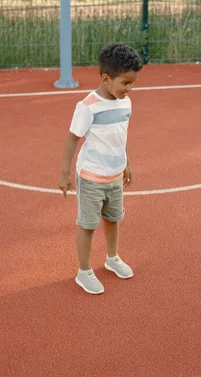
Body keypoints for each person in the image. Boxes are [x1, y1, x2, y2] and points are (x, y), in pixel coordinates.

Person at [58, 43, 143, 295]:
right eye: (125, 83)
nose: (130, 88)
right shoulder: (88, 106)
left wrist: (126, 162)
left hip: (115, 175)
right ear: (106, 79)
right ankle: (84, 271)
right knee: (88, 224)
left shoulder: (125, 103)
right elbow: (73, 138)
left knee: (113, 219)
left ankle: (112, 258)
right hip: (91, 177)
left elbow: (121, 136)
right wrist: (64, 172)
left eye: (132, 83)